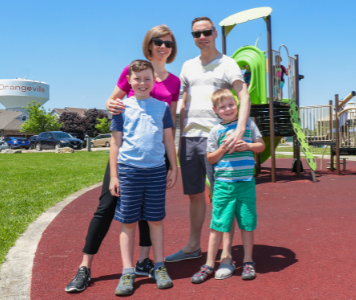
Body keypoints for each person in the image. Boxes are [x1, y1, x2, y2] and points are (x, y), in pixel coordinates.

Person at [65, 25, 180, 293]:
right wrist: (109, 103)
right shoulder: (132, 70)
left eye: (169, 42)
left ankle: (144, 262)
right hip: (126, 157)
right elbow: (112, 101)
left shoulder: (174, 82)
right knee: (107, 208)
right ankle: (85, 267)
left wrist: (172, 164)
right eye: (158, 41)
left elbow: (169, 126)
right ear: (149, 45)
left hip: (154, 158)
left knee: (149, 215)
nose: (163, 46)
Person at [165, 16, 250, 280]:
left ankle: (226, 255)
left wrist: (239, 129)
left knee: (222, 195)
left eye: (206, 32)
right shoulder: (188, 66)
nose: (202, 37)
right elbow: (181, 99)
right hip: (189, 137)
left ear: (215, 34)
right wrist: (176, 133)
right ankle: (193, 246)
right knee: (194, 194)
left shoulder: (228, 63)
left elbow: (243, 94)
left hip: (218, 139)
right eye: (196, 34)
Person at [110, 60, 177, 295]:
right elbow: (115, 142)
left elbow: (168, 140)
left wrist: (174, 168)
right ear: (129, 80)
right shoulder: (121, 107)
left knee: (156, 221)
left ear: (154, 80)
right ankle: (127, 271)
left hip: (157, 171)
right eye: (137, 78)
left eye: (147, 78)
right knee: (127, 223)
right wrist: (113, 177)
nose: (142, 83)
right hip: (129, 172)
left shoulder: (162, 108)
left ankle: (159, 266)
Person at [190, 89, 264, 284]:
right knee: (218, 225)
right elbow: (210, 158)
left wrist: (247, 146)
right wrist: (224, 147)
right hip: (223, 185)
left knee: (247, 224)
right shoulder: (216, 131)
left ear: (237, 105)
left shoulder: (248, 124)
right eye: (222, 107)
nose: (228, 109)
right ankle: (208, 264)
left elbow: (261, 146)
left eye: (231, 104)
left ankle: (248, 261)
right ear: (216, 110)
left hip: (246, 183)